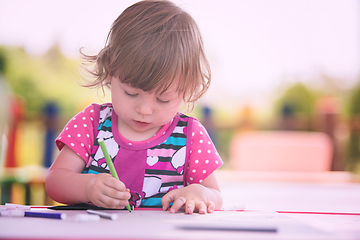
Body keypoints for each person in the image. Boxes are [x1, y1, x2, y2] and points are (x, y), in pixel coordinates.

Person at [45, 0, 223, 214]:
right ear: (111, 70)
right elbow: (55, 181)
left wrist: (199, 193)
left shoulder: (190, 135)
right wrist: (87, 187)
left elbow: (216, 195)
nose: (145, 110)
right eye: (131, 93)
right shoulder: (92, 123)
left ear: (186, 89)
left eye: (163, 99)